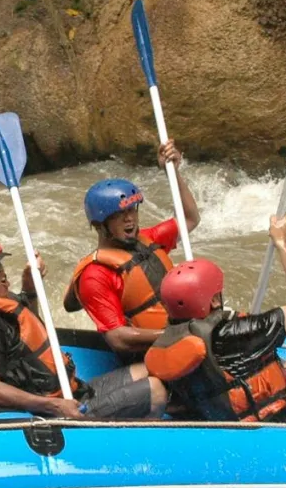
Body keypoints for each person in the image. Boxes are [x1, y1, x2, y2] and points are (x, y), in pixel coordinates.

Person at [143, 216, 286, 423]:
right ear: (213, 301)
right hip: (284, 423)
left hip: (232, 421)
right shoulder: (234, 335)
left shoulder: (169, 341)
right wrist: (282, 243)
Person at [0, 235, 166, 419]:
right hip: (57, 410)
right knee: (155, 390)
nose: (1, 271)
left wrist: (30, 289)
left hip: (72, 390)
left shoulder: (1, 302)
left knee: (151, 367)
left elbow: (29, 333)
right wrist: (54, 406)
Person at [62, 140, 201, 362]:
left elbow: (189, 218)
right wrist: (178, 335)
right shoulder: (95, 275)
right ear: (99, 225)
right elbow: (118, 338)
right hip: (150, 356)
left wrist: (172, 172)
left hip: (185, 338)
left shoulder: (148, 239)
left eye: (132, 210)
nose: (129, 218)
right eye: (118, 214)